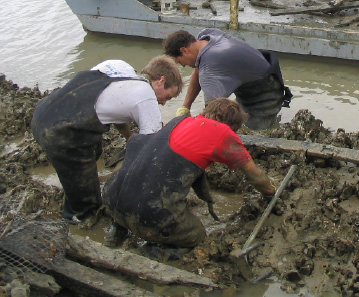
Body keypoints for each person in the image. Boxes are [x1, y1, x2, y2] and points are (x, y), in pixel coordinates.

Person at [102, 98, 276, 248]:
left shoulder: (179, 122)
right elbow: (255, 176)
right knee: (197, 235)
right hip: (150, 214)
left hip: (112, 197)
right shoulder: (223, 133)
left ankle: (118, 226)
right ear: (233, 126)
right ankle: (157, 250)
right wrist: (271, 192)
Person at [31, 56, 183, 224]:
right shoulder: (147, 98)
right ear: (161, 81)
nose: (163, 103)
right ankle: (78, 220)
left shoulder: (120, 68)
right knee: (87, 205)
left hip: (44, 112)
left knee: (93, 150)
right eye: (167, 97)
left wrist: (129, 137)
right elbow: (151, 147)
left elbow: (117, 110)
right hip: (60, 132)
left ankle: (76, 186)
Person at [162, 28, 293, 130]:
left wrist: (187, 128)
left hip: (265, 96)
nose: (183, 65)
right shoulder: (207, 36)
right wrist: (186, 107)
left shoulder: (211, 63)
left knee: (256, 133)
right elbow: (198, 70)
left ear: (184, 50)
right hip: (254, 80)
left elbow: (212, 113)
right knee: (239, 123)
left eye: (180, 62)